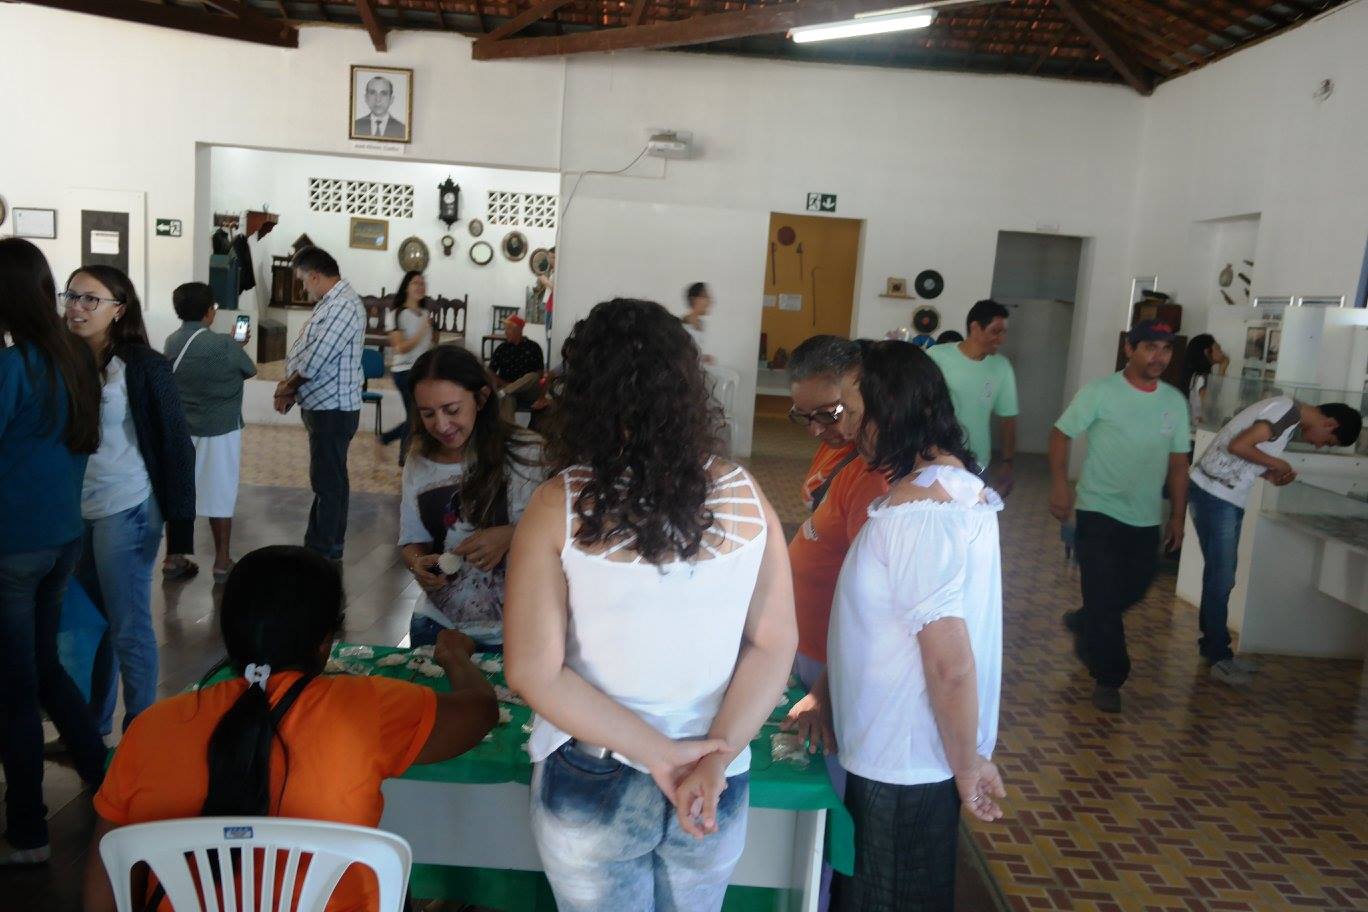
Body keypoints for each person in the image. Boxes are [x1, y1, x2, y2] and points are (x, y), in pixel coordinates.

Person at [505, 299, 797, 912]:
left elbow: (533, 671)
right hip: (715, 773)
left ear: (582, 393)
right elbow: (775, 643)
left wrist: (660, 756)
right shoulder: (747, 495)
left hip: (597, 770)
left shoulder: (560, 504)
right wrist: (714, 755)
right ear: (688, 387)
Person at [82, 545, 498, 912]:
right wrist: (454, 657)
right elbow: (480, 712)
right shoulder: (367, 708)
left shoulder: (150, 729)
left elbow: (103, 892)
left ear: (230, 632)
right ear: (325, 642)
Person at [826, 340, 1005, 912]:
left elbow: (950, 664)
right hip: (901, 752)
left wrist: (967, 767)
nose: (846, 428)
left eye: (854, 412)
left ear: (892, 411)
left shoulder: (923, 512)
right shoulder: (944, 490)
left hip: (902, 759)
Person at [0, 238, 107, 866]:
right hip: (61, 537)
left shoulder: (16, 366)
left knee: (16, 689)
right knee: (42, 668)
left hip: (14, 545)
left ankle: (28, 831)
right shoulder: (73, 359)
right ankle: (105, 779)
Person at [778, 335, 887, 912]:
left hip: (836, 662)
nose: (819, 429)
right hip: (811, 649)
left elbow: (871, 602)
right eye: (804, 416)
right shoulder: (838, 448)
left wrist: (825, 688)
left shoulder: (878, 475)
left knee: (826, 810)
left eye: (829, 413)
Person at [63, 265, 197, 739]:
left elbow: (176, 444)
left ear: (119, 310)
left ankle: (141, 733)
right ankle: (90, 728)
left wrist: (181, 531)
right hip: (76, 509)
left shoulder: (142, 365)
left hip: (128, 506)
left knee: (128, 623)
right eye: (71, 296)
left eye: (90, 299)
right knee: (91, 622)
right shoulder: (60, 359)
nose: (77, 307)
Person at [1050, 320, 1190, 714]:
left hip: (1145, 517)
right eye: (1150, 347)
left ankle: (1086, 620)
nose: (1159, 356)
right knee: (1103, 596)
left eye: (1166, 349)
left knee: (1136, 588)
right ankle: (1110, 678)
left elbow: (1179, 463)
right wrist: (1059, 484)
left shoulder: (1174, 401)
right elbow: (1061, 434)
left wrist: (1178, 516)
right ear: (1130, 349)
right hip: (1098, 510)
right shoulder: (1100, 392)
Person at [1189, 397, 1361, 684]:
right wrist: (1277, 462)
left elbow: (1244, 453)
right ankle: (1219, 656)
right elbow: (1239, 445)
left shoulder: (1289, 418)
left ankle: (1215, 649)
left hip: (1220, 494)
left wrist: (1269, 473)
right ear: (1330, 424)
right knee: (1221, 578)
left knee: (1220, 577)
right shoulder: (1286, 412)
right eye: (1328, 441)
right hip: (1215, 494)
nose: (1319, 446)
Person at [400, 345, 544, 649]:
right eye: (428, 414)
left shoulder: (528, 453)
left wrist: (511, 535)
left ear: (481, 398)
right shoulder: (419, 459)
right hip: (436, 626)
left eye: (452, 410)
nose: (441, 425)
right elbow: (412, 539)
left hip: (516, 633)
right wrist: (418, 563)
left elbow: (568, 536)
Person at [163, 282, 257, 583]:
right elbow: (249, 369)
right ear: (209, 312)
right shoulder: (223, 345)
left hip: (182, 428)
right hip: (220, 430)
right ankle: (221, 561)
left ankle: (173, 558)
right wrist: (236, 345)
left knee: (180, 491)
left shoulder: (172, 341)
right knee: (220, 491)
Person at [275, 246, 365, 562]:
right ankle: (328, 544)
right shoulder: (332, 303)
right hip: (326, 407)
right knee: (332, 480)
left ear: (315, 275)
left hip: (332, 410)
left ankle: (321, 550)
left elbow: (314, 360)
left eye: (303, 280)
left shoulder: (343, 306)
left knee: (327, 482)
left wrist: (287, 389)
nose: (303, 287)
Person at [927, 299, 1018, 495]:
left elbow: (1008, 419)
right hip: (935, 459)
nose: (1001, 339)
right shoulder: (936, 357)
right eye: (995, 331)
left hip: (976, 463)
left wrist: (1007, 462)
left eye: (1004, 332)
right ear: (975, 328)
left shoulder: (1002, 367)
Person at [379, 269, 434, 464]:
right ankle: (403, 459)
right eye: (416, 283)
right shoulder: (397, 314)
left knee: (417, 417)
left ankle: (387, 440)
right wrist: (422, 330)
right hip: (405, 372)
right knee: (415, 417)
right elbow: (400, 348)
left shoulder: (425, 313)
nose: (421, 287)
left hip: (423, 372)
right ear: (406, 287)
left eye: (423, 283)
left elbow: (426, 347)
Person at [489, 313, 544, 417]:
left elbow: (540, 373)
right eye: (505, 329)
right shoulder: (502, 348)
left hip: (528, 391)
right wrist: (505, 384)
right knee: (507, 398)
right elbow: (491, 372)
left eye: (508, 329)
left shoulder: (534, 347)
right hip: (508, 389)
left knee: (533, 376)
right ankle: (508, 428)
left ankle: (506, 390)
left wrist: (518, 385)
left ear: (519, 330)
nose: (505, 332)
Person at [1179, 333, 1228, 439]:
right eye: (1218, 348)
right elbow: (1210, 405)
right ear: (1207, 352)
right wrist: (1223, 367)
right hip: (1199, 434)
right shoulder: (1201, 378)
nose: (1222, 352)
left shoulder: (1195, 375)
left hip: (1196, 432)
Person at [682, 282, 714, 363]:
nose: (709, 301)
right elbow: (682, 357)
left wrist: (703, 358)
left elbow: (693, 354)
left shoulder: (701, 324)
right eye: (705, 296)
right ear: (693, 300)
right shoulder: (684, 326)